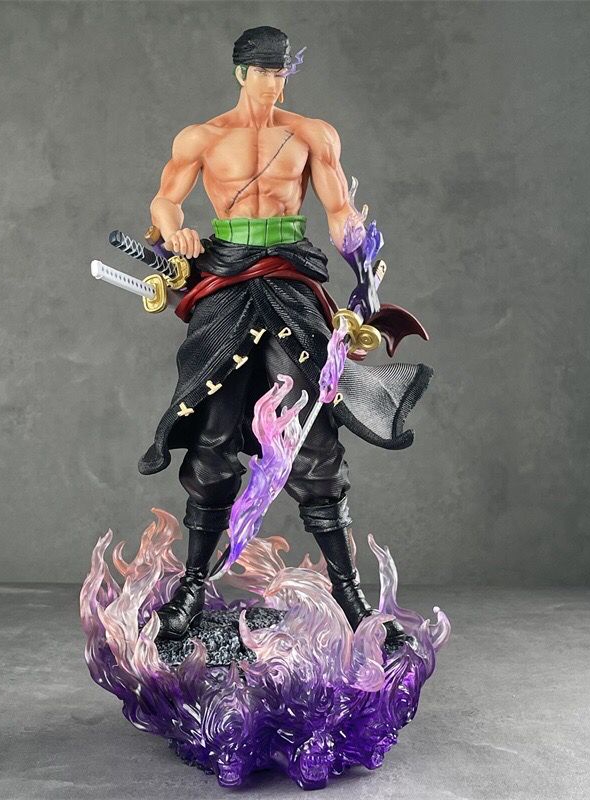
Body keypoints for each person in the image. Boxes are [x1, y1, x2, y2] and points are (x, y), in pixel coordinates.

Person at [141, 26, 432, 647]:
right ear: (240, 72)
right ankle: (193, 587)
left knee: (315, 438)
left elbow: (337, 210)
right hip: (224, 279)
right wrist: (176, 231)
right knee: (213, 434)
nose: (274, 82)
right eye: (264, 71)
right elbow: (164, 202)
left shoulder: (311, 134)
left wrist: (359, 254)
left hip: (291, 279)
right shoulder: (201, 137)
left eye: (282, 72)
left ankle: (351, 598)